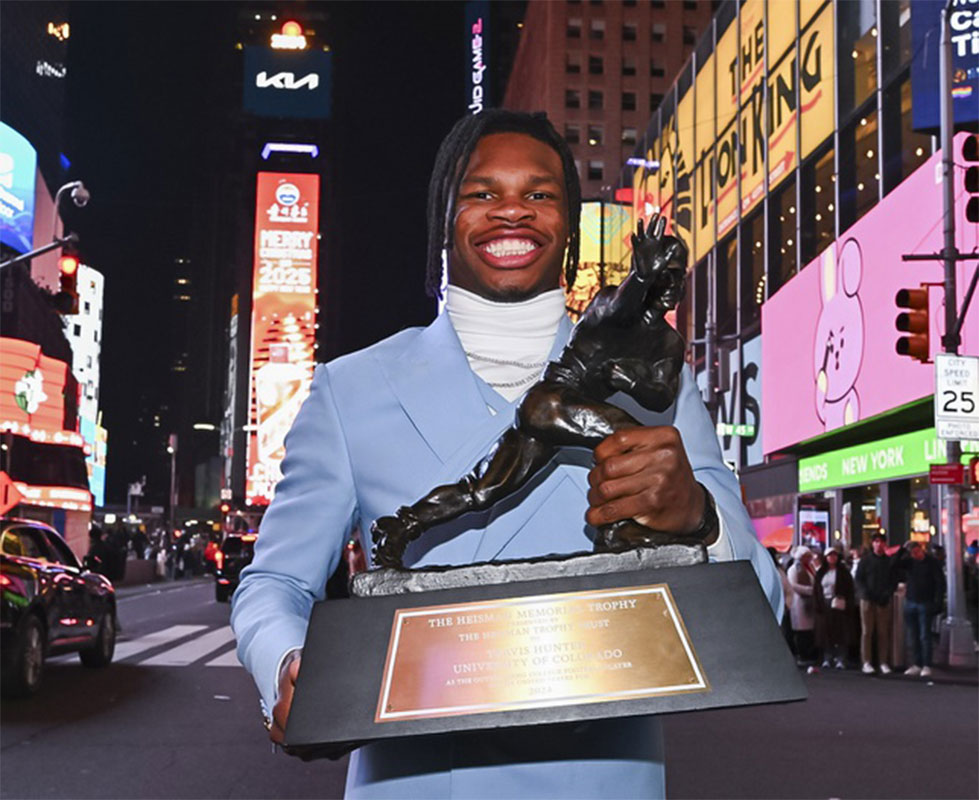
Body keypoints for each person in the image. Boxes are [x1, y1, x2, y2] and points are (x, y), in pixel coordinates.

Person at [230, 110, 782, 800]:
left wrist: (697, 517)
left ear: (570, 224)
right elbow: (275, 584)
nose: (512, 211)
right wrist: (286, 664)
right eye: (482, 192)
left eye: (540, 193)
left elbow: (762, 603)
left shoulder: (649, 382)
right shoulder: (350, 389)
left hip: (602, 779)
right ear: (444, 215)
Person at [854, 532, 898, 674]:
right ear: (872, 544)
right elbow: (859, 579)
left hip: (883, 600)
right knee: (867, 631)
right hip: (867, 599)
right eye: (876, 541)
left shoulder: (889, 561)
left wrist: (887, 594)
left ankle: (883, 661)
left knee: (883, 632)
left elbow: (893, 580)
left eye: (881, 541)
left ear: (885, 544)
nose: (879, 544)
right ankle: (866, 661)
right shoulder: (865, 561)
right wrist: (866, 593)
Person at [900, 541, 945, 678]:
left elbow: (940, 583)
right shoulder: (909, 562)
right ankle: (917, 663)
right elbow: (894, 565)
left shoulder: (932, 562)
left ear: (921, 549)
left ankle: (926, 664)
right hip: (911, 600)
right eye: (913, 553)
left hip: (925, 601)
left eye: (917, 552)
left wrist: (937, 601)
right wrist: (902, 551)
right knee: (913, 634)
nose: (916, 555)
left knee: (925, 635)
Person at [813, 546, 857, 669]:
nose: (832, 558)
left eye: (834, 555)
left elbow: (850, 590)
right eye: (829, 556)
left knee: (841, 632)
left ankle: (841, 658)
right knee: (826, 633)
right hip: (825, 604)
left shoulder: (844, 573)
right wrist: (818, 605)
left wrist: (848, 604)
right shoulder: (821, 573)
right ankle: (827, 657)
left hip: (839, 604)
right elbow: (816, 590)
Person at [787, 545, 817, 667]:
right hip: (799, 602)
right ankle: (802, 654)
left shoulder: (810, 568)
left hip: (811, 602)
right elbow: (793, 585)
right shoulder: (794, 569)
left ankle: (809, 654)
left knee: (809, 631)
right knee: (801, 632)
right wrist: (809, 590)